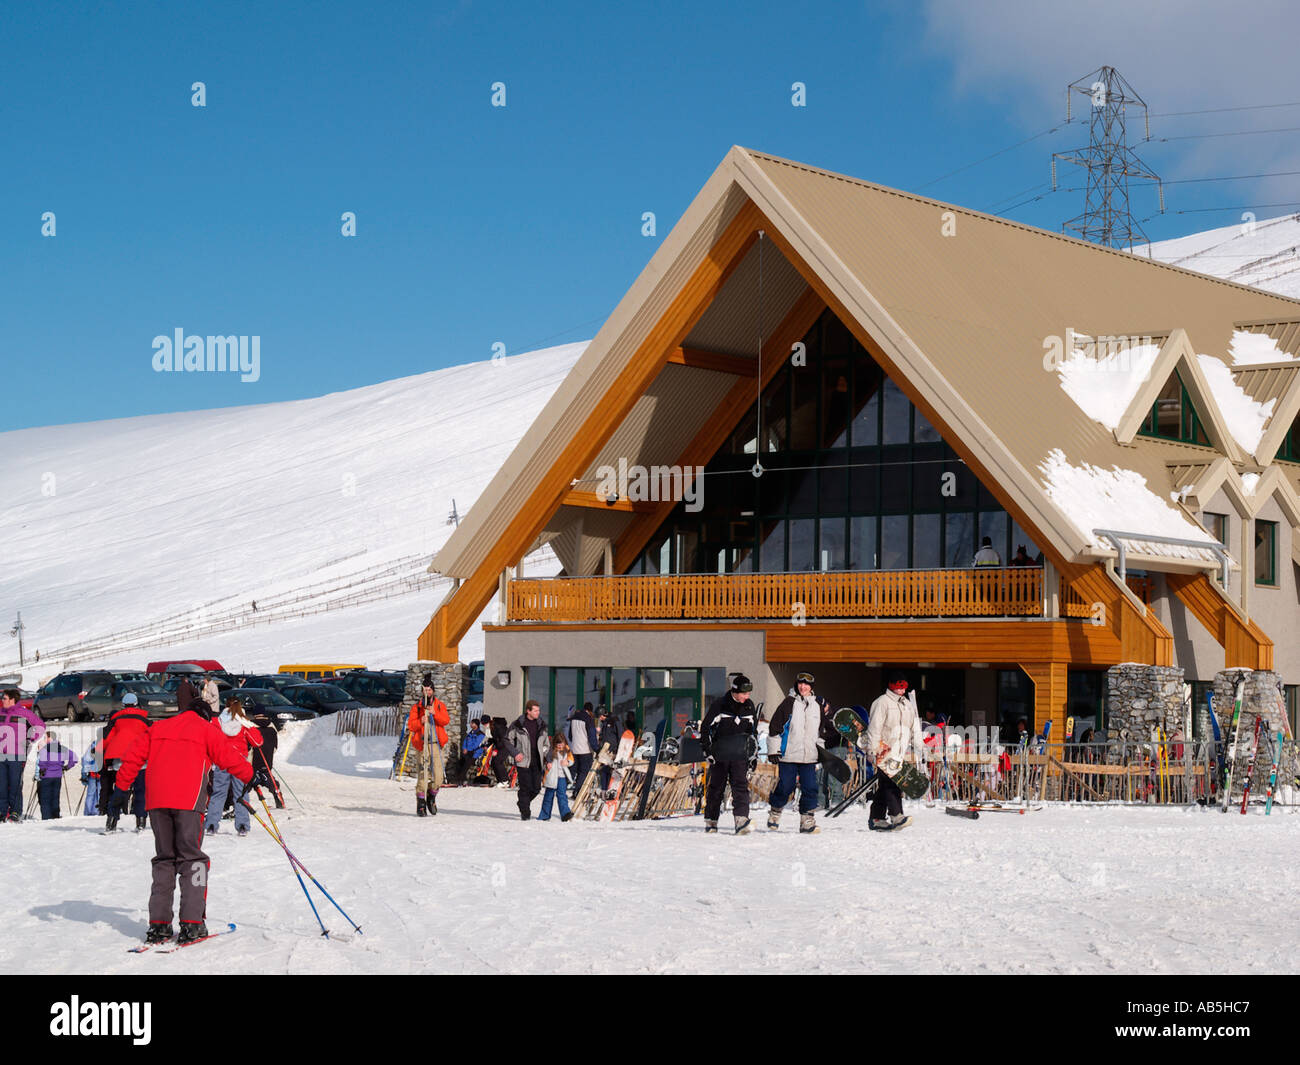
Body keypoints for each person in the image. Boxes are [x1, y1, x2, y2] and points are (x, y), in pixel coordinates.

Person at [108, 688, 267, 945]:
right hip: (189, 803)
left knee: (164, 860)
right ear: (205, 716)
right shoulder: (206, 730)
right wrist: (253, 777)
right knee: (193, 859)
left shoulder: (158, 728)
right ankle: (192, 924)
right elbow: (229, 759)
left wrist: (121, 789)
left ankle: (158, 925)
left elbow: (133, 757)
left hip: (157, 802)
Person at [766, 671, 838, 833]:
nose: (803, 687)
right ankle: (775, 810)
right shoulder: (788, 703)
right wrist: (773, 750)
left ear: (811, 687)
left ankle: (807, 819)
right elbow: (775, 728)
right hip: (789, 755)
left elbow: (819, 732)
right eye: (800, 684)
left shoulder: (817, 706)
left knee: (810, 787)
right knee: (786, 786)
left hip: (809, 756)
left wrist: (821, 753)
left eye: (806, 684)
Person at [864, 671, 925, 830]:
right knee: (892, 784)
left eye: (904, 687)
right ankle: (896, 815)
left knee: (885, 785)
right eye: (899, 687)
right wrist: (872, 749)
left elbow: (914, 728)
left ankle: (876, 818)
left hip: (899, 752)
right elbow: (874, 728)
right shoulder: (882, 702)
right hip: (883, 751)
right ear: (891, 686)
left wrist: (919, 746)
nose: (902, 690)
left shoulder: (907, 704)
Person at [701, 674, 758, 834]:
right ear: (735, 691)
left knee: (740, 786)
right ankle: (711, 820)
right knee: (716, 788)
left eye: (748, 694)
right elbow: (705, 728)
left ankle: (741, 820)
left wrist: (754, 755)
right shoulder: (720, 705)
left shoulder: (749, 706)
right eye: (744, 694)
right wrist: (708, 750)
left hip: (740, 755)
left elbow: (752, 732)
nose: (747, 697)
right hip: (720, 755)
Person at [203, 696, 263, 836]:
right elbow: (258, 742)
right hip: (239, 761)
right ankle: (242, 825)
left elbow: (209, 737)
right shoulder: (243, 722)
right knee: (241, 793)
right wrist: (251, 727)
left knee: (219, 793)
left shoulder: (217, 721)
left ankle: (211, 824)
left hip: (222, 760)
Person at [101, 692, 151, 830]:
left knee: (120, 789)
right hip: (140, 759)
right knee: (141, 791)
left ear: (122, 705)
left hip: (120, 759)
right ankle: (141, 821)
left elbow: (106, 740)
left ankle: (111, 821)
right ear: (137, 704)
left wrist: (105, 758)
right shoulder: (145, 720)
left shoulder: (116, 720)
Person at [407, 676, 449, 816]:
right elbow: (411, 726)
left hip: (435, 744)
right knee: (422, 774)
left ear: (433, 690)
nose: (427, 692)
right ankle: (421, 804)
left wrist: (434, 714)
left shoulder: (439, 705)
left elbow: (445, 721)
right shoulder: (416, 707)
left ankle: (431, 796)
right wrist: (421, 720)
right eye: (425, 689)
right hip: (422, 744)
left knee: (438, 777)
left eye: (429, 689)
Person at [0, 688, 44, 823]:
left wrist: (30, 739)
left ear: (13, 700)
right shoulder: (0, 712)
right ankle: (2, 811)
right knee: (1, 785)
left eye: (5, 698)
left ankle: (15, 811)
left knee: (15, 784)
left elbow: (40, 726)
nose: (2, 700)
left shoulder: (24, 713)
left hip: (17, 754)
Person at [506, 700, 550, 820]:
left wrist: (548, 758)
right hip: (523, 761)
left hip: (537, 761)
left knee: (536, 788)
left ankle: (522, 803)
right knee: (525, 787)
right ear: (528, 711)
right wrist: (515, 753)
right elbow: (507, 740)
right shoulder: (517, 724)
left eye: (538, 710)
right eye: (535, 710)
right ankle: (525, 813)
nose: (538, 712)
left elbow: (546, 744)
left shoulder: (542, 725)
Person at [35, 731, 77, 820]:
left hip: (47, 776)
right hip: (58, 776)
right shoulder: (62, 748)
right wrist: (67, 767)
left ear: (50, 738)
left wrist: (42, 770)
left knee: (45, 798)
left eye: (46, 738)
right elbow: (74, 757)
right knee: (55, 797)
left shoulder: (46, 749)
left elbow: (42, 762)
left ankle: (46, 817)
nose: (45, 740)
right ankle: (55, 815)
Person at [538, 733, 574, 822]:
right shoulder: (550, 751)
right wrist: (548, 764)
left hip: (562, 777)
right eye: (558, 745)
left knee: (562, 796)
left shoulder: (567, 750)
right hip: (551, 777)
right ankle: (544, 815)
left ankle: (565, 813)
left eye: (561, 744)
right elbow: (545, 758)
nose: (560, 747)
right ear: (554, 744)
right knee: (548, 796)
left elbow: (572, 759)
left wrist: (568, 762)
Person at [250, 713, 283, 808]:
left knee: (245, 784)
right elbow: (275, 748)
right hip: (267, 762)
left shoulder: (250, 726)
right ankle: (279, 799)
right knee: (271, 781)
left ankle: (238, 804)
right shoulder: (272, 727)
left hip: (253, 763)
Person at [566, 702, 598, 796]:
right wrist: (596, 749)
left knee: (575, 771)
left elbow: (570, 735)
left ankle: (573, 789)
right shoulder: (589, 719)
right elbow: (592, 737)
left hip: (575, 749)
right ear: (590, 711)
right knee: (584, 772)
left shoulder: (574, 718)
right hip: (585, 750)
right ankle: (578, 792)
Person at [596, 710, 620, 791]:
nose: (600, 718)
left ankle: (610, 789)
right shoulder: (605, 723)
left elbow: (620, 734)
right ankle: (604, 789)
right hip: (605, 750)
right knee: (603, 770)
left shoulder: (614, 721)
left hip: (613, 750)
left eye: (600, 716)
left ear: (603, 715)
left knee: (610, 770)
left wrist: (618, 749)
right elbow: (603, 735)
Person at [81, 739, 102, 816]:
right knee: (100, 793)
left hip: (92, 774)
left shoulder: (91, 747)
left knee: (90, 794)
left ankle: (88, 812)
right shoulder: (105, 745)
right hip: (101, 774)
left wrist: (83, 774)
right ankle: (99, 810)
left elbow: (85, 761)